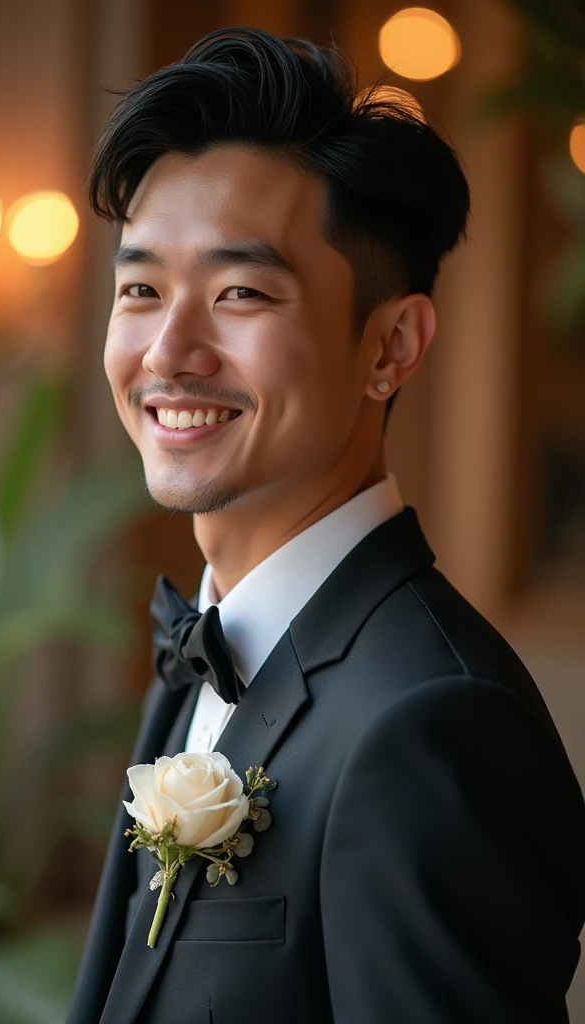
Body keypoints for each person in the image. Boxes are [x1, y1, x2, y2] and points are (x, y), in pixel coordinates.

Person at [68, 27, 585, 1024]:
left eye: (240, 293)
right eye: (140, 288)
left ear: (391, 345)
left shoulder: (431, 723)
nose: (168, 349)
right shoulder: (208, 653)